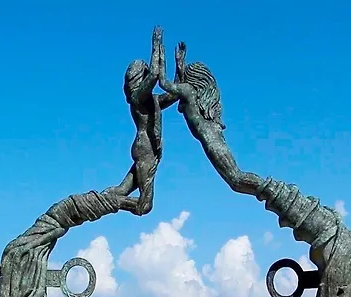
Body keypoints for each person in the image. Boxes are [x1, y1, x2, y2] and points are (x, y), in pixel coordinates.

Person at [158, 37, 263, 198]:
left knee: (236, 179)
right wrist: (180, 63)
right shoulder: (193, 95)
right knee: (237, 179)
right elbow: (179, 84)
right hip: (214, 138)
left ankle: (273, 191)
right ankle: (270, 191)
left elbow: (164, 83)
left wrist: (159, 56)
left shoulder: (187, 91)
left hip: (212, 143)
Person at [104, 27, 180, 216]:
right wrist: (156, 46)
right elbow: (154, 75)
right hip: (145, 149)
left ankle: (102, 198)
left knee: (121, 190)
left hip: (146, 150)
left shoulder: (152, 101)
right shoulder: (138, 98)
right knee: (144, 206)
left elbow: (173, 94)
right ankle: (104, 202)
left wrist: (179, 65)